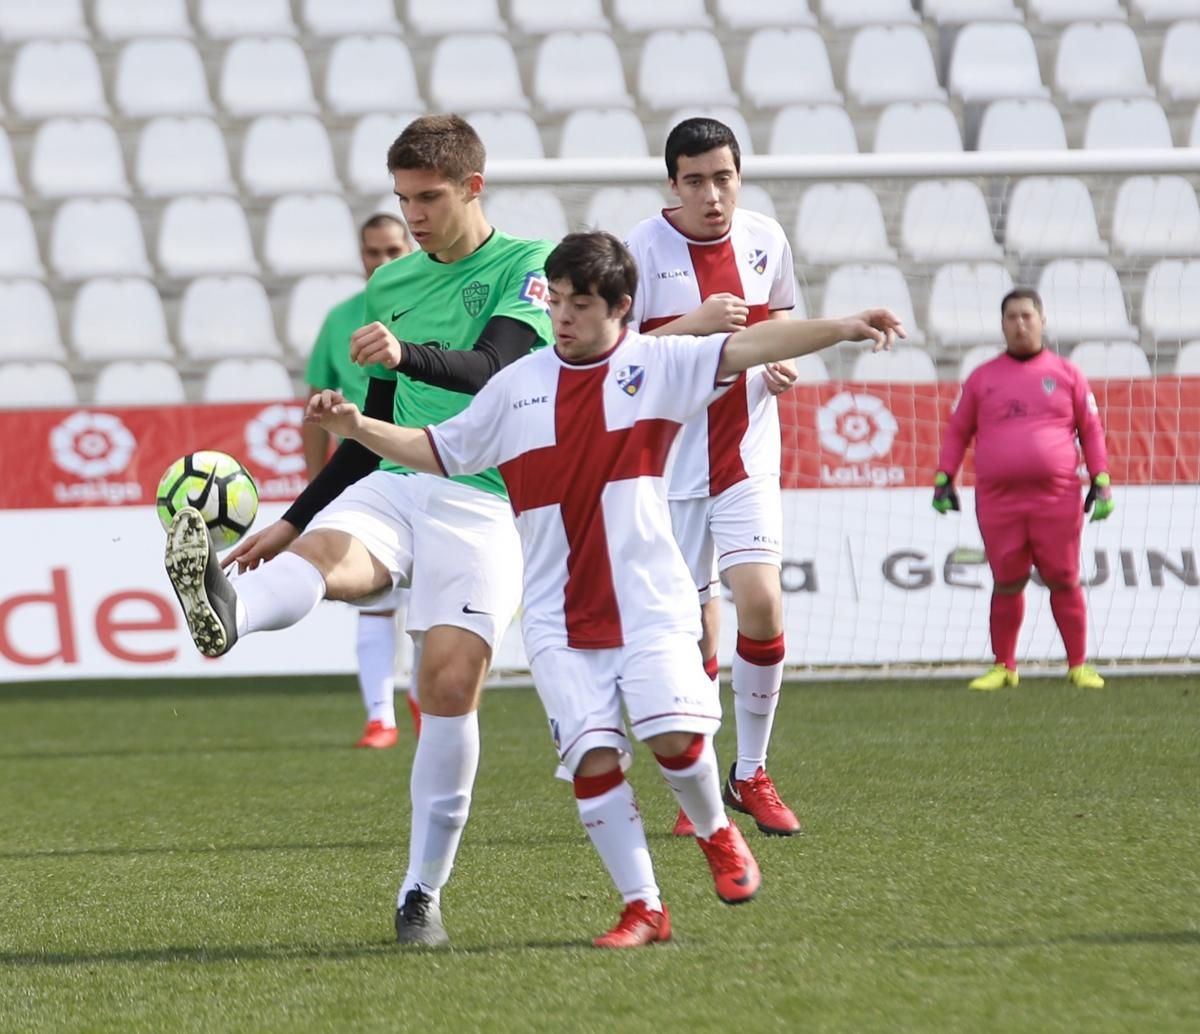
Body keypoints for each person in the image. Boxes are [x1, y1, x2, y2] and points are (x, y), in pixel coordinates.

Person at [306, 231, 904, 948]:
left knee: (675, 738)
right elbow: (439, 449)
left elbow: (752, 346)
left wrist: (841, 327)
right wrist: (359, 426)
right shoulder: (518, 385)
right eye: (555, 301)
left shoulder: (656, 365)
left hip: (649, 601)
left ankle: (716, 830)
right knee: (592, 758)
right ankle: (644, 906)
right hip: (558, 615)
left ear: (621, 307)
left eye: (579, 304)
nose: (562, 316)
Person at [163, 114, 555, 946]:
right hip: (396, 479)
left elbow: (496, 369)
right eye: (402, 198)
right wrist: (294, 513)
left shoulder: (528, 268)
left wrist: (406, 354)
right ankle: (231, 608)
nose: (412, 216)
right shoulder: (390, 287)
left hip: (484, 496)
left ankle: (422, 890)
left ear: (472, 188)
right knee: (322, 556)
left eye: (429, 198)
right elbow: (374, 425)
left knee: (446, 690)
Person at [624, 117, 800, 838]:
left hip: (745, 457)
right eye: (694, 180)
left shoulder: (766, 240)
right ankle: (695, 779)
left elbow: (784, 313)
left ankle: (750, 771)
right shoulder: (638, 250)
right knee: (695, 632)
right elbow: (616, 359)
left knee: (760, 604)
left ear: (739, 177)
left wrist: (781, 356)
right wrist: (694, 325)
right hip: (666, 471)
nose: (711, 194)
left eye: (722, 177)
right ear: (673, 183)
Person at [933, 288, 1114, 690]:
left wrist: (1100, 477)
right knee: (1007, 578)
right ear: (1002, 325)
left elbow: (1091, 430)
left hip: (1057, 495)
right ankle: (1005, 666)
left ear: (1042, 321)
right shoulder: (982, 378)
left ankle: (1078, 665)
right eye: (1012, 317)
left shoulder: (1067, 374)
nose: (1020, 324)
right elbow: (958, 430)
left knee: (1064, 577)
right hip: (999, 500)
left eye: (1027, 316)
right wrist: (945, 475)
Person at [303, 212, 419, 748]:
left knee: (432, 605)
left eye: (393, 251)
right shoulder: (340, 320)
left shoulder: (431, 303)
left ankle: (423, 699)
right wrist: (313, 485)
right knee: (373, 600)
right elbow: (314, 401)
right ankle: (381, 717)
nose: (383, 262)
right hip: (362, 473)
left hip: (432, 467)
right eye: (373, 253)